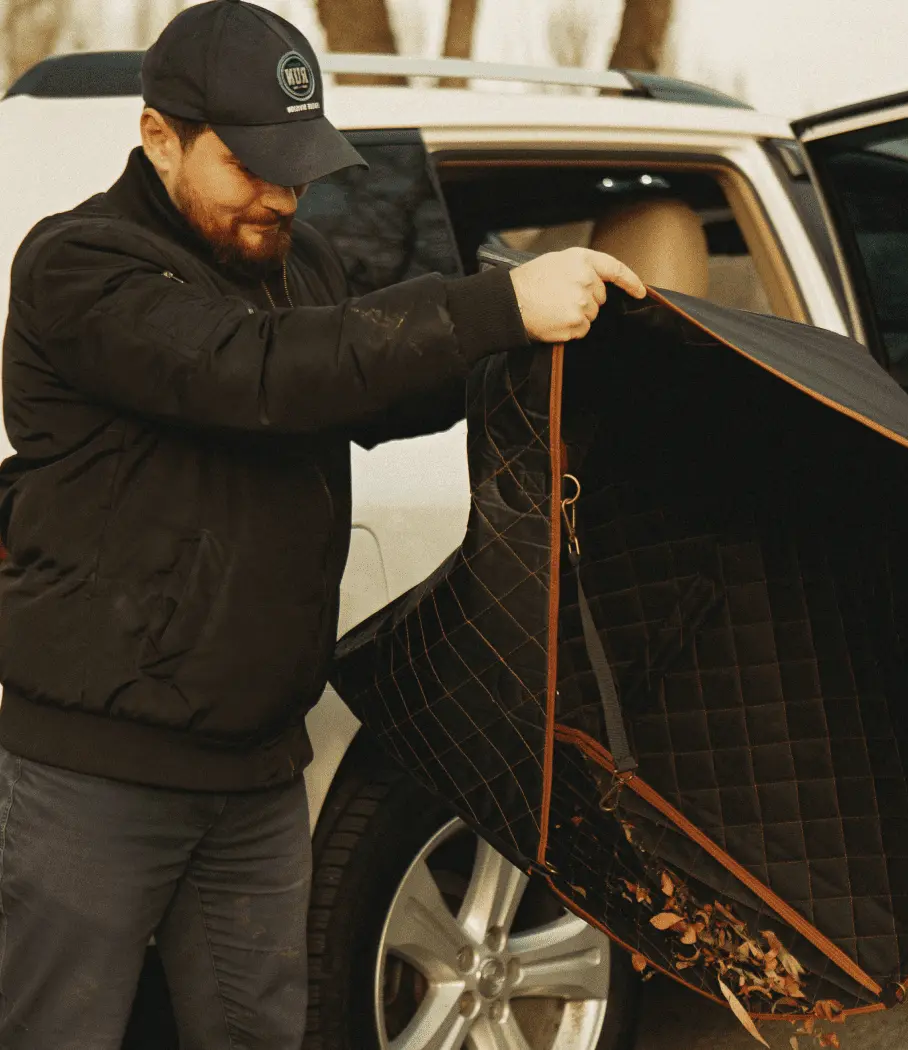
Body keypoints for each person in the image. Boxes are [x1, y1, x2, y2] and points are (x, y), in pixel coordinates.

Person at [0, 2, 645, 1046]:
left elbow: (370, 387)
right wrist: (495, 304)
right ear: (160, 137)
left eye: (297, 166)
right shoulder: (80, 267)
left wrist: (544, 353)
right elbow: (258, 374)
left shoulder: (299, 269)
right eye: (250, 166)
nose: (281, 195)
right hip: (96, 775)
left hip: (258, 771)